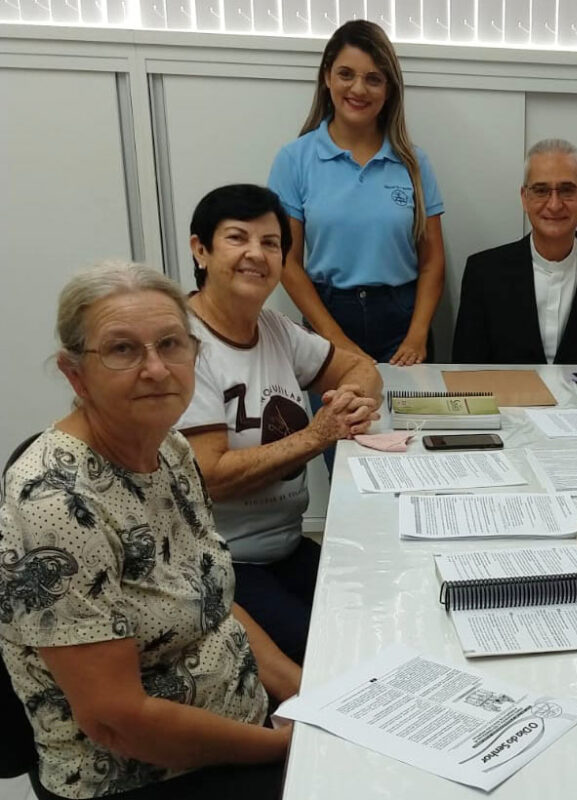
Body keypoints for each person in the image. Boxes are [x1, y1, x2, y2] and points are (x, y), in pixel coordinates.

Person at [0, 262, 297, 800]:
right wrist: (282, 746)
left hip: (238, 729)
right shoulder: (55, 502)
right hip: (141, 775)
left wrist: (307, 695)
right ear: (74, 374)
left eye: (171, 344)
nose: (157, 369)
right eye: (122, 350)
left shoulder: (170, 448)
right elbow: (117, 721)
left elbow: (213, 600)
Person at [178, 184, 383, 664]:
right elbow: (211, 477)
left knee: (380, 611)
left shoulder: (273, 328)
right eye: (238, 238)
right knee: (337, 655)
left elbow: (362, 369)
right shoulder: (182, 345)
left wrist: (352, 402)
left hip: (288, 548)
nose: (257, 254)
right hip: (225, 565)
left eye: (271, 243)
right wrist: (318, 434)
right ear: (200, 250)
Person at [268, 19, 445, 366]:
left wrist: (417, 334)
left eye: (373, 79)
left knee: (408, 422)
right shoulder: (294, 159)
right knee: (337, 421)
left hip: (403, 321)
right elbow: (288, 262)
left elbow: (432, 261)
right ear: (326, 77)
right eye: (346, 74)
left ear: (389, 88)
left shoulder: (413, 162)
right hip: (328, 320)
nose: (358, 89)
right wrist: (333, 338)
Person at [452, 138, 577, 364]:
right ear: (524, 198)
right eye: (541, 191)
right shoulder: (483, 274)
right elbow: (466, 373)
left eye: (567, 190)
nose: (554, 204)